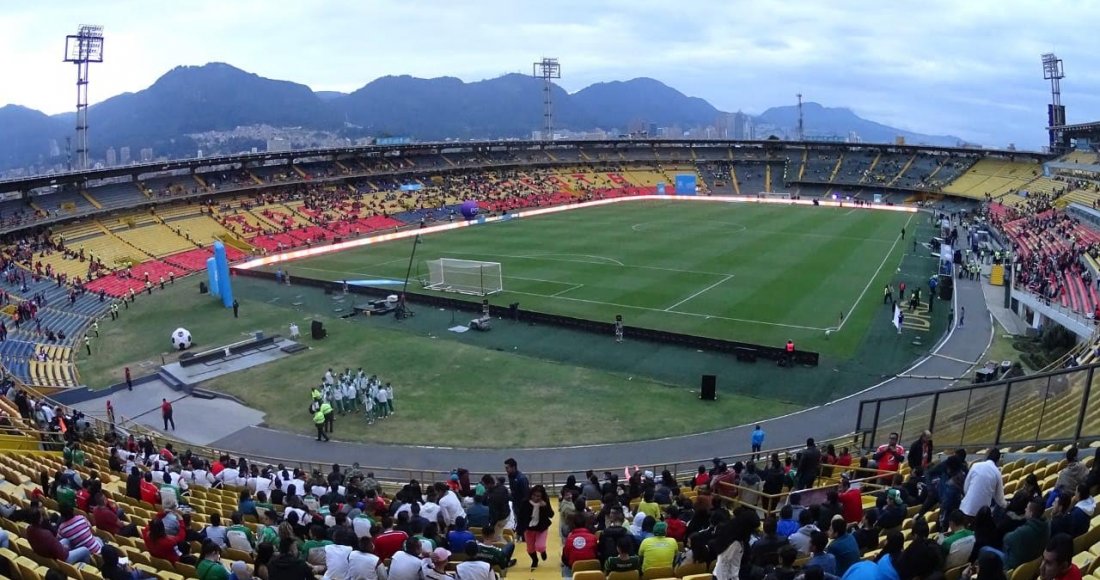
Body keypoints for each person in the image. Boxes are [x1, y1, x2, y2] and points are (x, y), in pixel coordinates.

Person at [1004, 497, 1050, 571]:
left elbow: (1006, 539)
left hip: (1015, 565)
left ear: (1031, 513)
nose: (1025, 509)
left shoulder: (1022, 532)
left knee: (985, 550)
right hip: (1032, 562)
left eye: (1027, 508)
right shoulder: (1047, 525)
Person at [514, 484, 553, 569]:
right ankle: (535, 560)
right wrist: (519, 532)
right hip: (529, 529)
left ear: (542, 496)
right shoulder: (525, 502)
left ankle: (543, 551)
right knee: (530, 549)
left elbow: (551, 515)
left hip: (541, 528)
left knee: (540, 546)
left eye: (538, 496)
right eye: (534, 495)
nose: (535, 498)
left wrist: (545, 506)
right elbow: (520, 517)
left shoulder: (545, 502)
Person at [961, 449, 1006, 517]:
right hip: (981, 514)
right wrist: (1007, 505)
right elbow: (999, 499)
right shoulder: (997, 472)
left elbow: (966, 488)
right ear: (998, 460)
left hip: (965, 508)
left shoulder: (975, 466)